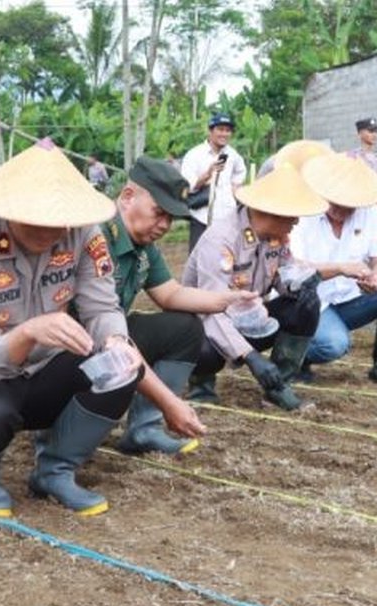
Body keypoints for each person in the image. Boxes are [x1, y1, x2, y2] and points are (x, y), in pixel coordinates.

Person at [0, 140, 141, 518]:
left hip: (44, 371)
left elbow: (102, 306)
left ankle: (55, 470)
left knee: (121, 368)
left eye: (59, 218)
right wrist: (28, 333)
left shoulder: (85, 236)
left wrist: (117, 340)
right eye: (36, 216)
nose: (51, 228)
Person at [103, 157, 256, 455]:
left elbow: (170, 294)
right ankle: (55, 442)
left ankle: (144, 430)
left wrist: (225, 300)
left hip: (114, 335)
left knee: (185, 328)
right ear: (128, 196)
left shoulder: (144, 246)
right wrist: (169, 401)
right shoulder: (96, 236)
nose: (164, 226)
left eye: (170, 218)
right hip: (78, 340)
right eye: (159, 213)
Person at [184, 162, 329, 411]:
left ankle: (277, 385)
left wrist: (299, 285)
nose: (296, 221)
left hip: (249, 318)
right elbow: (209, 310)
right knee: (204, 349)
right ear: (270, 211)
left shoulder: (277, 238)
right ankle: (201, 384)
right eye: (292, 214)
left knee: (306, 303)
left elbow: (283, 278)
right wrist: (251, 358)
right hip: (206, 324)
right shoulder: (222, 239)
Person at [291, 154, 377, 387]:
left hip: (350, 297)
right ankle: (293, 356)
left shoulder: (369, 212)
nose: (341, 208)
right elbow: (294, 269)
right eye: (336, 201)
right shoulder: (304, 213)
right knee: (333, 345)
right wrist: (340, 268)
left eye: (349, 204)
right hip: (308, 302)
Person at [181, 113, 247, 252]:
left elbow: (240, 172)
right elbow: (188, 187)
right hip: (202, 217)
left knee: (226, 258)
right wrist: (207, 175)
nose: (224, 134)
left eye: (228, 130)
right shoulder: (194, 155)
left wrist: (236, 189)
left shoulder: (233, 155)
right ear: (210, 131)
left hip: (227, 217)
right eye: (220, 129)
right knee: (198, 257)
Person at [345, 117, 377, 191]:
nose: (374, 135)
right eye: (370, 131)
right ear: (359, 134)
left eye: (376, 131)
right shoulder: (352, 156)